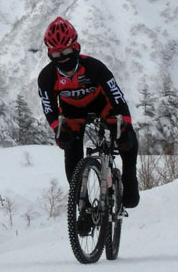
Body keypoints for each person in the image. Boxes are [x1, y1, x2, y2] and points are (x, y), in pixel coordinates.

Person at [37, 16, 139, 209]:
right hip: (71, 111)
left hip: (102, 104)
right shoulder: (47, 77)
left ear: (76, 48)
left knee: (126, 136)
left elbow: (117, 97)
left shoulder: (94, 67)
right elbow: (49, 107)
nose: (63, 58)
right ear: (50, 54)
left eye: (66, 51)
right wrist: (58, 128)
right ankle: (82, 205)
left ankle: (129, 176)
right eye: (57, 54)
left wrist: (124, 124)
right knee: (70, 149)